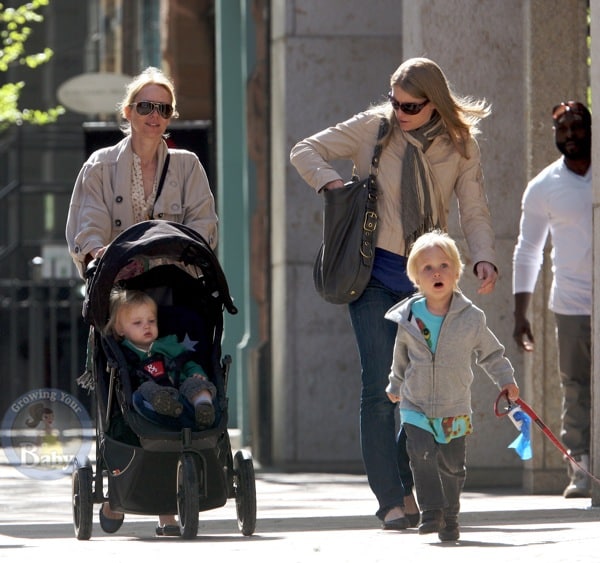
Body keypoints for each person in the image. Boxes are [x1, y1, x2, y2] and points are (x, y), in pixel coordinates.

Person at [290, 57, 498, 529]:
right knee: (378, 386)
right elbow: (305, 149)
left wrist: (484, 256)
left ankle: (409, 483)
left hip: (426, 281)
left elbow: (474, 209)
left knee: (420, 389)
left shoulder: (460, 146)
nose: (399, 111)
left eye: (409, 106)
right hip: (371, 277)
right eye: (394, 101)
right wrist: (334, 183)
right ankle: (389, 498)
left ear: (433, 104)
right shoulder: (374, 128)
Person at [65, 66, 218, 536]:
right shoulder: (101, 166)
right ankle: (121, 485)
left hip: (174, 284)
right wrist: (100, 257)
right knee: (122, 377)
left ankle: (168, 503)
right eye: (146, 107)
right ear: (129, 112)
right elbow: (87, 226)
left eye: (164, 108)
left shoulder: (187, 165)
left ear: (171, 116)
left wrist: (176, 256)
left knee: (179, 366)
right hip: (118, 289)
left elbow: (204, 225)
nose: (155, 116)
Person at [386, 230, 519, 541]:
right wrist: (395, 383)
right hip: (415, 403)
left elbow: (491, 353)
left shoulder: (471, 318)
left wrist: (507, 380)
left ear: (457, 272)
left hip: (454, 405)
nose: (436, 273)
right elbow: (400, 356)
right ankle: (431, 510)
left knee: (452, 466)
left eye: (444, 265)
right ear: (415, 278)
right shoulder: (409, 317)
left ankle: (451, 517)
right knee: (419, 452)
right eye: (427, 268)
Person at [512, 101, 592, 499]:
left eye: (578, 126)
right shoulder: (544, 186)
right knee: (576, 387)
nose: (572, 135)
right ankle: (580, 467)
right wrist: (520, 312)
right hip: (572, 304)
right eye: (563, 129)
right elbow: (528, 250)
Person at [105, 289, 217, 429]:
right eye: (137, 323)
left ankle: (203, 407)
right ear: (120, 329)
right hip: (152, 402)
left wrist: (197, 373)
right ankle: (165, 404)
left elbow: (187, 363)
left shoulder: (169, 344)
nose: (147, 326)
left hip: (183, 392)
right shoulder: (123, 354)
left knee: (196, 383)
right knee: (144, 390)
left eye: (151, 321)